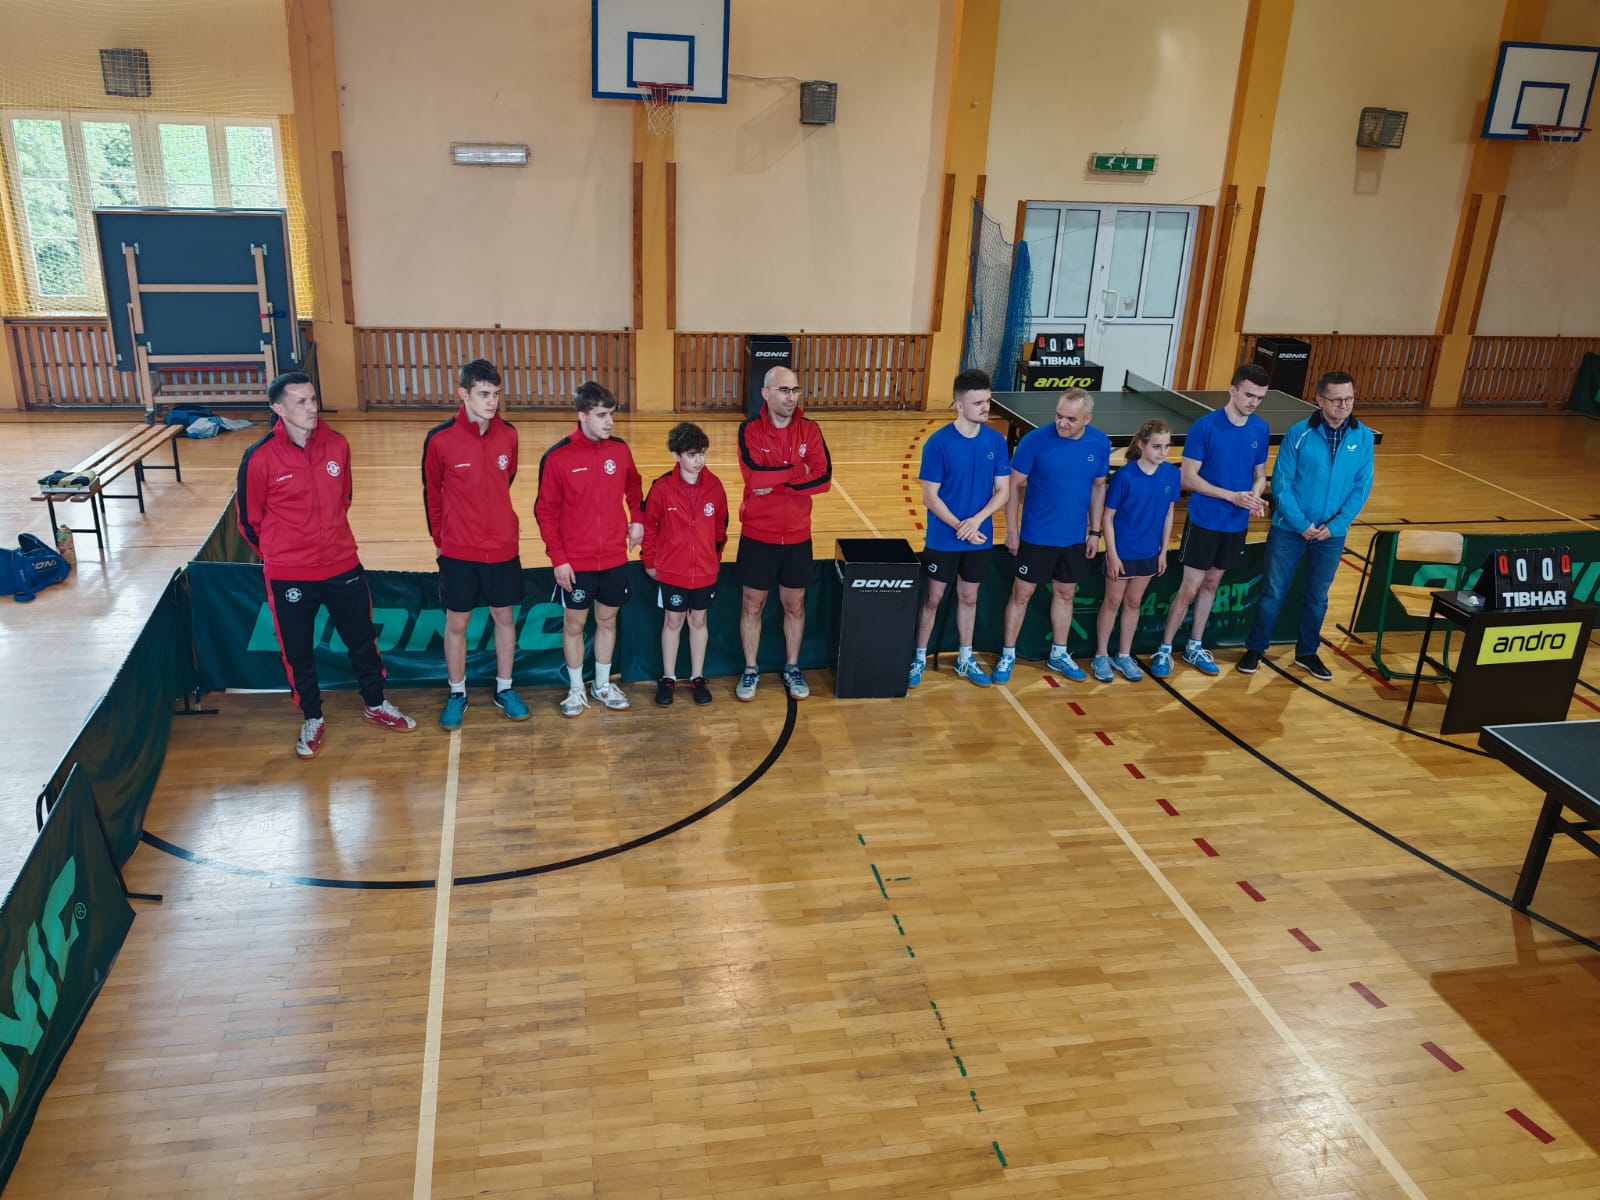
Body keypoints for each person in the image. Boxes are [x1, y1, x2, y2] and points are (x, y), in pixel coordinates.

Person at [236, 372, 417, 758]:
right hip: (289, 573)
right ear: (278, 408)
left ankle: (375, 703)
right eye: (300, 402)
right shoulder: (259, 457)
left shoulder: (337, 444)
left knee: (362, 640)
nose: (311, 408)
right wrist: (281, 554)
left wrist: (327, 540)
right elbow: (249, 521)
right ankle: (312, 716)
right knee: (298, 649)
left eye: (313, 399)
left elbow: (343, 497)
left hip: (341, 563)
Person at [1238, 370, 1374, 679]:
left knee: (1317, 597)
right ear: (1320, 400)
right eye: (1336, 400)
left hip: (1331, 535)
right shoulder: (1299, 433)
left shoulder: (1363, 437)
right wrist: (1301, 524)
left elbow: (1361, 487)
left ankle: (1307, 653)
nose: (1344, 405)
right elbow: (1282, 483)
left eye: (1349, 399)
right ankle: (1256, 649)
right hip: (1289, 530)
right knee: (1273, 593)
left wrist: (1335, 526)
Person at [422, 358, 527, 730]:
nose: (491, 401)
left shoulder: (509, 435)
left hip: (502, 547)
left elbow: (505, 478)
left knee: (504, 617)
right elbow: (432, 494)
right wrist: (440, 538)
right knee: (457, 623)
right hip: (458, 550)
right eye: (483, 394)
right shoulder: (439, 439)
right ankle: (457, 692)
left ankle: (504, 688)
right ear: (463, 394)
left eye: (495, 394)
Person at [1151, 363, 1271, 678]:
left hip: (1236, 524)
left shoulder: (1260, 429)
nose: (1254, 402)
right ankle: (1164, 648)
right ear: (1232, 390)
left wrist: (1254, 495)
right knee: (1190, 587)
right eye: (1249, 395)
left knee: (1212, 583)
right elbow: (1188, 478)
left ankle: (1194, 646)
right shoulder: (1205, 427)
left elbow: (1260, 475)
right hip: (1205, 520)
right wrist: (1232, 496)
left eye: (1260, 398)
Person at [534, 380, 643, 716]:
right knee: (574, 626)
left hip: (613, 557)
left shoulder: (619, 450)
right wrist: (558, 558)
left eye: (611, 414)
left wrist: (637, 518)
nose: (609, 422)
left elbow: (634, 484)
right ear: (582, 415)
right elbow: (545, 512)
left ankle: (603, 685)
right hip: (576, 563)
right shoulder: (557, 458)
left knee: (607, 621)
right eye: (601, 415)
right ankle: (576, 689)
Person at [992, 388, 1108, 685]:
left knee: (1066, 594)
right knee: (1022, 594)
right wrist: (1012, 530)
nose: (1062, 423)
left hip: (1073, 538)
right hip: (1036, 536)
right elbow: (1011, 486)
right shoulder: (1034, 441)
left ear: (1087, 419)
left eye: (1071, 419)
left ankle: (1058, 653)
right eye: (1059, 416)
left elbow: (1098, 487)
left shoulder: (1099, 443)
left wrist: (1095, 531)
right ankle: (1008, 653)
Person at [734, 365, 832, 702]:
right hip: (758, 535)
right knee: (752, 605)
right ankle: (751, 669)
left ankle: (792, 666)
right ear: (766, 393)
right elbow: (753, 478)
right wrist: (797, 471)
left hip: (798, 537)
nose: (791, 397)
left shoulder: (810, 430)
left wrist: (776, 481)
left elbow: (823, 479)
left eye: (795, 390)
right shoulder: (749, 430)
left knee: (795, 605)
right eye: (784, 390)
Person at [908, 369, 1010, 688]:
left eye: (987, 401)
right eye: (978, 402)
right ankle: (918, 657)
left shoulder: (996, 441)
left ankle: (965, 658)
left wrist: (976, 521)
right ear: (959, 405)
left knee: (969, 597)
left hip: (978, 537)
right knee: (933, 598)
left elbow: (1003, 491)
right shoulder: (938, 444)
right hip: (943, 537)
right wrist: (959, 525)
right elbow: (930, 497)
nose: (985, 407)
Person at [642, 422, 729, 707]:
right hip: (672, 571)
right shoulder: (661, 488)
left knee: (698, 620)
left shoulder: (715, 486)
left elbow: (721, 527)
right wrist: (649, 560)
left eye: (702, 453)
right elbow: (649, 526)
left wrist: (713, 558)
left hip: (705, 571)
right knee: (673, 620)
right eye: (692, 454)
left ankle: (697, 676)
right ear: (676, 456)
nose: (699, 460)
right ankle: (668, 677)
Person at [1090, 419, 1180, 683]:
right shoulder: (1124, 477)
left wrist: (1163, 551)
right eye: (1156, 447)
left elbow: (1169, 513)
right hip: (1123, 552)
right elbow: (1107, 517)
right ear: (1141, 445)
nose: (1163, 452)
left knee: (1133, 603)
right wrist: (1113, 554)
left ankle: (1124, 655)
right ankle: (1100, 655)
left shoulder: (1171, 474)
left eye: (1166, 446)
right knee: (1112, 602)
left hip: (1149, 553)